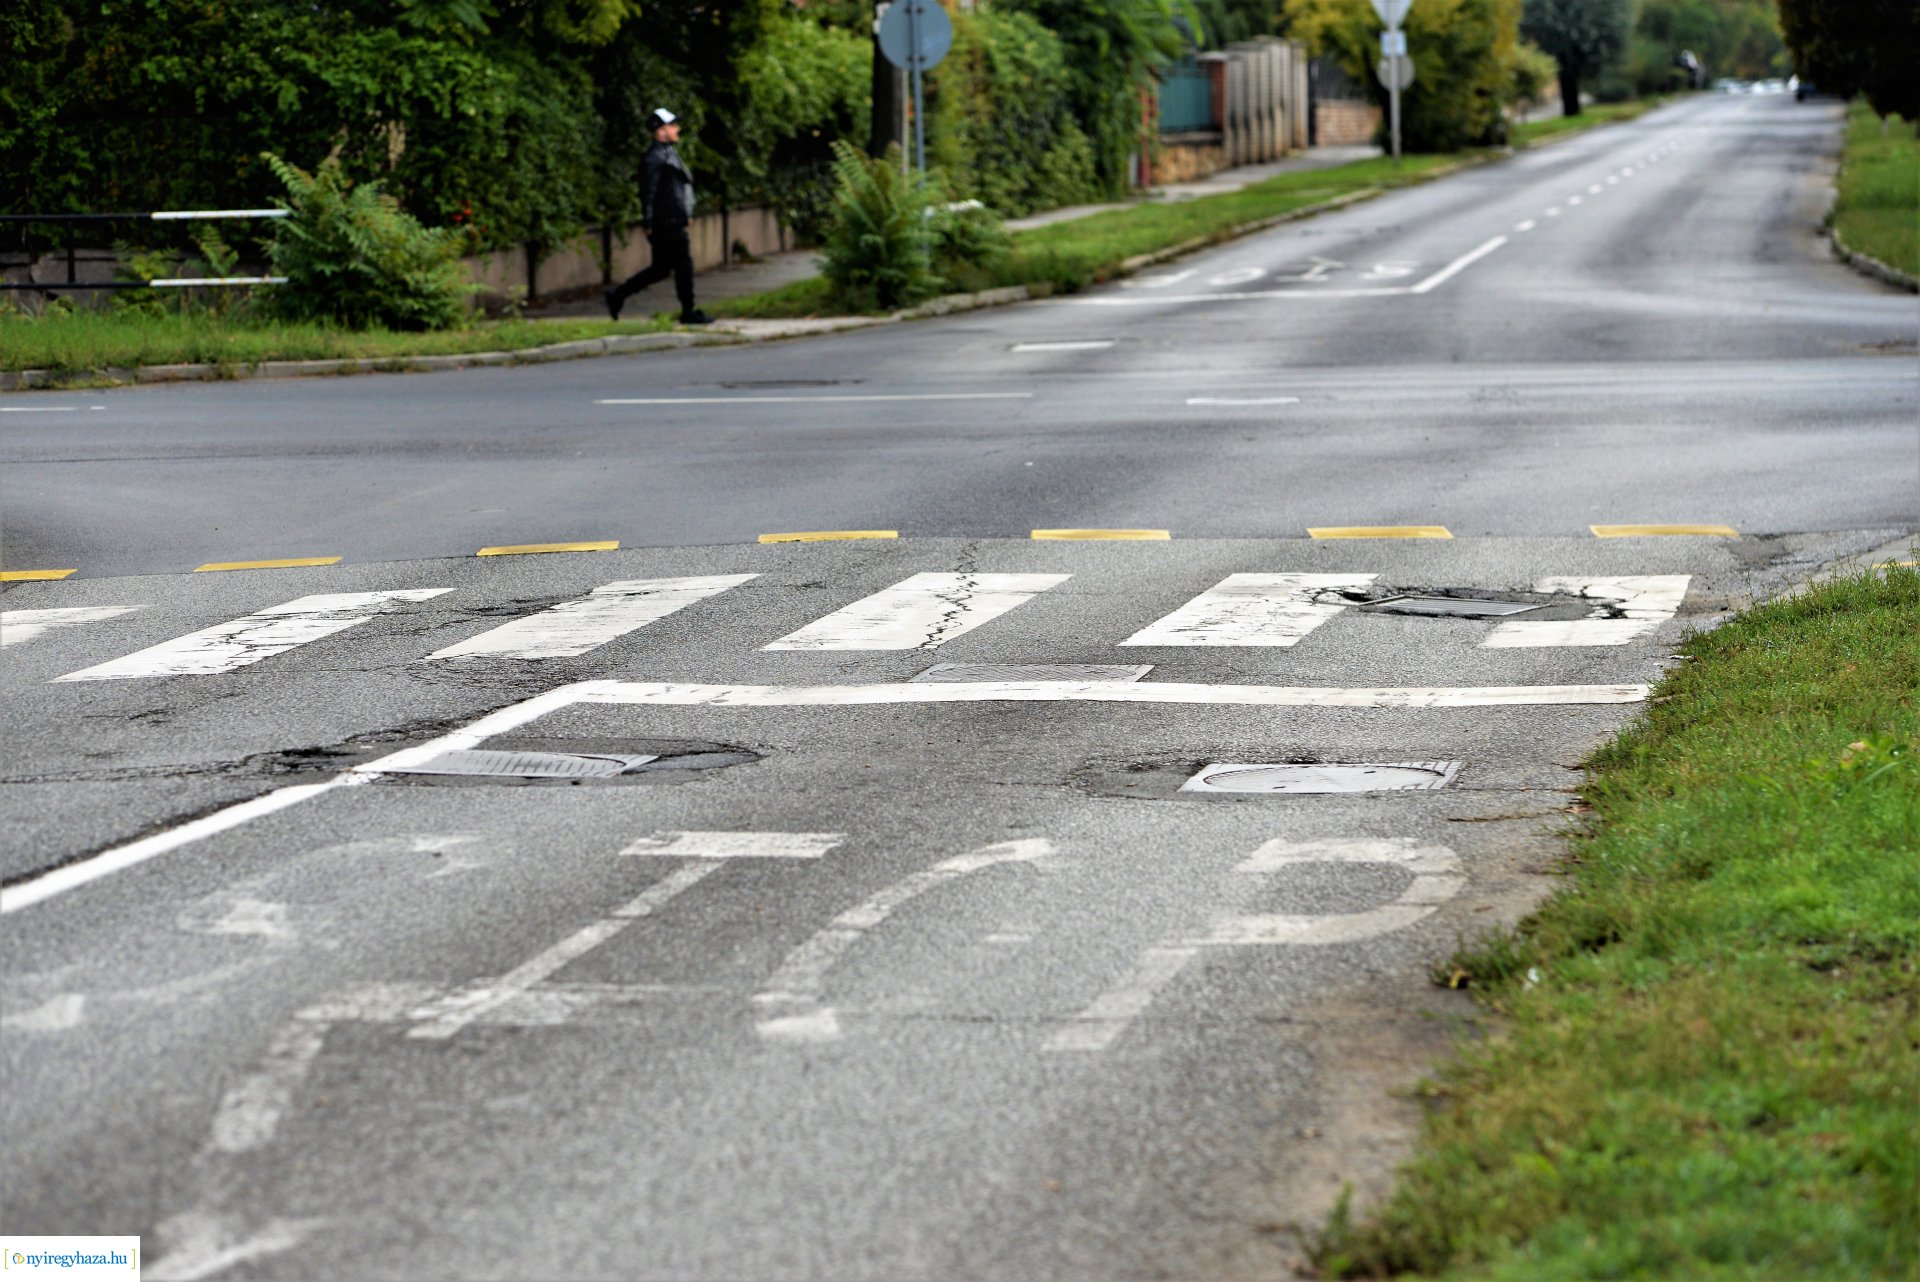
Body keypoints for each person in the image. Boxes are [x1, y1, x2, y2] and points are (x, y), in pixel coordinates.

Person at [605, 108, 712, 324]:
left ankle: (618, 295)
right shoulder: (654, 158)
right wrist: (649, 221)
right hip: (665, 222)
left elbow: (677, 189)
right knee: (683, 265)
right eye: (672, 126)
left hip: (672, 220)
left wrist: (685, 214)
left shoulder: (668, 154)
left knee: (660, 269)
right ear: (661, 131)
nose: (677, 129)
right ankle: (688, 311)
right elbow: (648, 192)